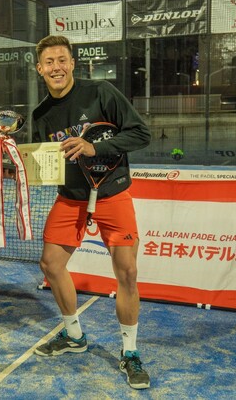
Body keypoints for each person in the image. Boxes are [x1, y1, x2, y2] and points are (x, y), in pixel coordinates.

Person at [30, 35, 152, 390]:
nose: (56, 67)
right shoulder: (40, 115)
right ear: (40, 69)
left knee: (127, 271)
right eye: (49, 62)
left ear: (72, 64)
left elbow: (141, 133)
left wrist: (94, 147)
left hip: (112, 192)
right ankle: (73, 336)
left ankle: (130, 352)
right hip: (71, 198)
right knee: (51, 264)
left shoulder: (101, 92)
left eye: (62, 60)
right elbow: (46, 161)